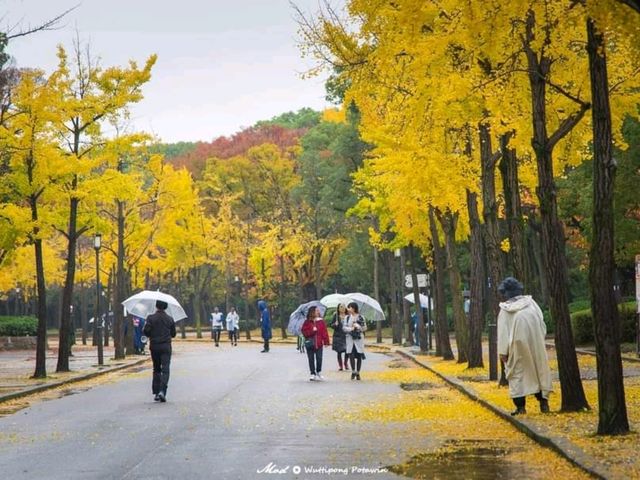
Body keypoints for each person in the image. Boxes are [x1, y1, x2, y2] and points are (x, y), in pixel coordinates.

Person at [497, 277, 552, 416]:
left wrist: (503, 352)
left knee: (517, 376)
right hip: (535, 345)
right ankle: (543, 403)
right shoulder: (532, 304)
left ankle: (520, 407)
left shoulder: (505, 311)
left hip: (516, 349)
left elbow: (503, 333)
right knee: (538, 371)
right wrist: (539, 338)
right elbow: (542, 324)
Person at [143, 300, 176, 403]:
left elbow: (146, 332)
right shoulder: (170, 319)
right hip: (166, 346)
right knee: (165, 369)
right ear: (165, 307)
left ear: (156, 306)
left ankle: (156, 393)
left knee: (156, 368)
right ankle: (162, 391)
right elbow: (173, 334)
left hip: (155, 346)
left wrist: (150, 332)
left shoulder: (150, 318)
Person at [301, 306, 330, 381]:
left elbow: (325, 332)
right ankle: (312, 373)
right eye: (316, 310)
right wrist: (312, 331)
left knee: (319, 358)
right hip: (310, 344)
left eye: (318, 310)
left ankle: (318, 371)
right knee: (311, 359)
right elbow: (304, 332)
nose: (318, 312)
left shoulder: (321, 321)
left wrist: (326, 341)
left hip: (319, 344)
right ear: (312, 312)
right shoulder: (307, 322)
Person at [343, 302, 367, 380]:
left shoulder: (361, 317)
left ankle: (358, 372)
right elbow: (344, 328)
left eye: (349, 307)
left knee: (359, 356)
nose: (348, 309)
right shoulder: (347, 317)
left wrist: (358, 326)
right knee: (351, 355)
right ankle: (353, 371)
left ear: (353, 308)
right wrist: (351, 329)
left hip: (358, 339)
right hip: (350, 339)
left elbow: (365, 328)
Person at [330, 303, 348, 371]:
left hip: (346, 335)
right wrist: (335, 324)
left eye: (344, 306)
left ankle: (345, 363)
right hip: (338, 336)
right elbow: (331, 325)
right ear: (338, 308)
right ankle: (340, 366)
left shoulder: (348, 315)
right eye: (341, 307)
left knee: (347, 350)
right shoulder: (336, 315)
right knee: (339, 351)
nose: (342, 308)